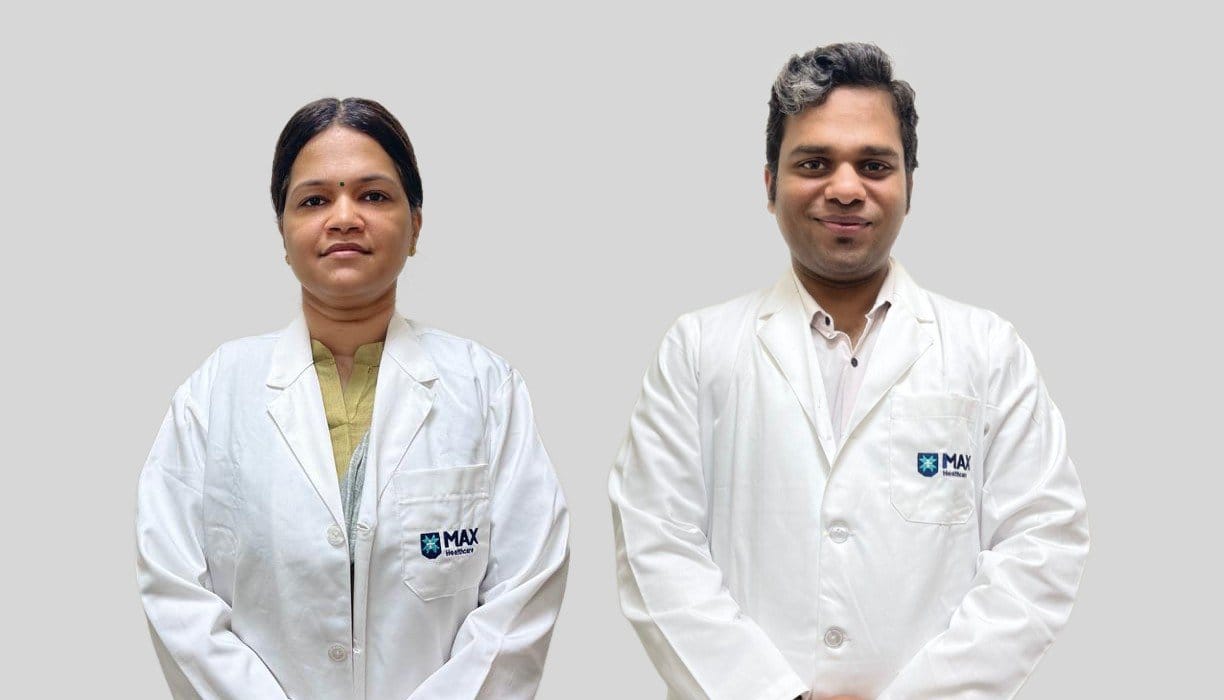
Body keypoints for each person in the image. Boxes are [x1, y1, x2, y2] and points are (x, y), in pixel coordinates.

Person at [609, 43, 1089, 699]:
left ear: (910, 186)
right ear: (769, 184)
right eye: (813, 163)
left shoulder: (988, 350)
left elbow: (1042, 543)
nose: (844, 188)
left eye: (874, 165)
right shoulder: (696, 350)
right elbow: (654, 545)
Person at [136, 98, 569, 699]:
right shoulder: (214, 392)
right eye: (314, 200)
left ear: (416, 226)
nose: (344, 218)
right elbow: (175, 590)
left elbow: (523, 593)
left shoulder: (486, 388)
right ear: (283, 232)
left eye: (373, 195)